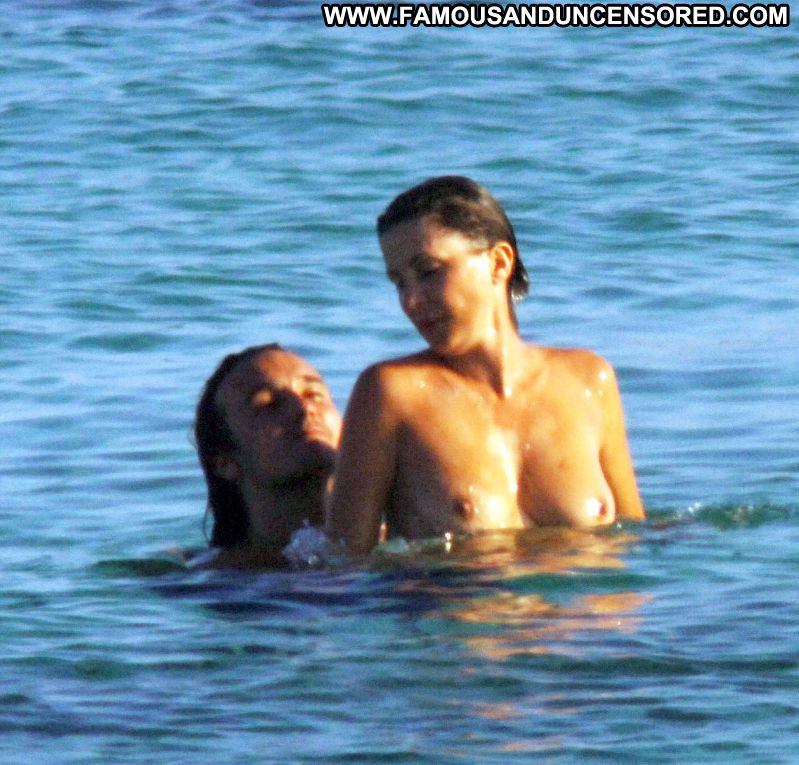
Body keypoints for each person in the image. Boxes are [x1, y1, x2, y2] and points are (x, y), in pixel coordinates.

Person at [327, 176, 645, 556]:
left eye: (428, 271)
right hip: (453, 594)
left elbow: (636, 537)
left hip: (590, 595)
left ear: (498, 262)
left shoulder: (589, 379)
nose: (411, 301)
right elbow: (345, 560)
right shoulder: (392, 393)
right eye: (399, 283)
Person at [194, 343, 342, 568]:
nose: (302, 409)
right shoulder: (211, 575)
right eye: (267, 404)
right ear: (224, 461)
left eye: (313, 394)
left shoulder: (396, 536)